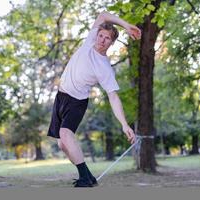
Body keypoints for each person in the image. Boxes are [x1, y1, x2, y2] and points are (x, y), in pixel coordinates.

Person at [47, 11, 141, 187]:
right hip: (60, 97)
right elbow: (104, 15)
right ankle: (89, 176)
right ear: (96, 34)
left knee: (65, 135)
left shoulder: (104, 68)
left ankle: (84, 179)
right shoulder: (90, 40)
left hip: (76, 102)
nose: (102, 40)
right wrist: (126, 25)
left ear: (112, 43)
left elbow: (113, 97)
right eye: (101, 35)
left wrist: (124, 124)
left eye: (107, 39)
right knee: (62, 144)